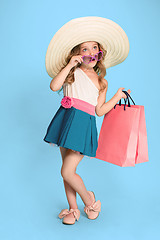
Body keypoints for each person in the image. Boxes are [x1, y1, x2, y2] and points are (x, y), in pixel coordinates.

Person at [43, 16, 131, 225]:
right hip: (65, 119)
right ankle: (73, 209)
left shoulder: (102, 81)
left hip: (83, 124)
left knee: (67, 171)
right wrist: (69, 65)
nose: (90, 52)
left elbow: (99, 111)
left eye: (94, 48)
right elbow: (54, 87)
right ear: (77, 54)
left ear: (100, 54)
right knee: (66, 168)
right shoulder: (72, 72)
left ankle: (89, 199)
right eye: (84, 49)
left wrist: (116, 97)